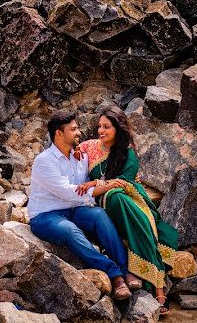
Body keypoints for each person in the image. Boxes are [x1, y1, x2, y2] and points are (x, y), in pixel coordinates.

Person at [76, 104, 180, 314]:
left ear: (118, 129)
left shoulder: (127, 153)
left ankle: (157, 284)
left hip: (130, 198)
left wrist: (99, 183)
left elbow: (126, 183)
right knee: (115, 197)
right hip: (102, 199)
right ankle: (157, 287)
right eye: (99, 126)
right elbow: (68, 152)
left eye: (107, 127)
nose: (101, 131)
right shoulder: (89, 147)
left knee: (130, 208)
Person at [28, 109, 139, 301]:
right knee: (70, 231)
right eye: (73, 129)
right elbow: (70, 192)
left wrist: (128, 178)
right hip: (46, 216)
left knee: (99, 216)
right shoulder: (45, 161)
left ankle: (125, 269)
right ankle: (115, 275)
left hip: (74, 210)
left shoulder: (81, 156)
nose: (79, 132)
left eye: (77, 128)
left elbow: (105, 160)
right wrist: (108, 185)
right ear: (59, 134)